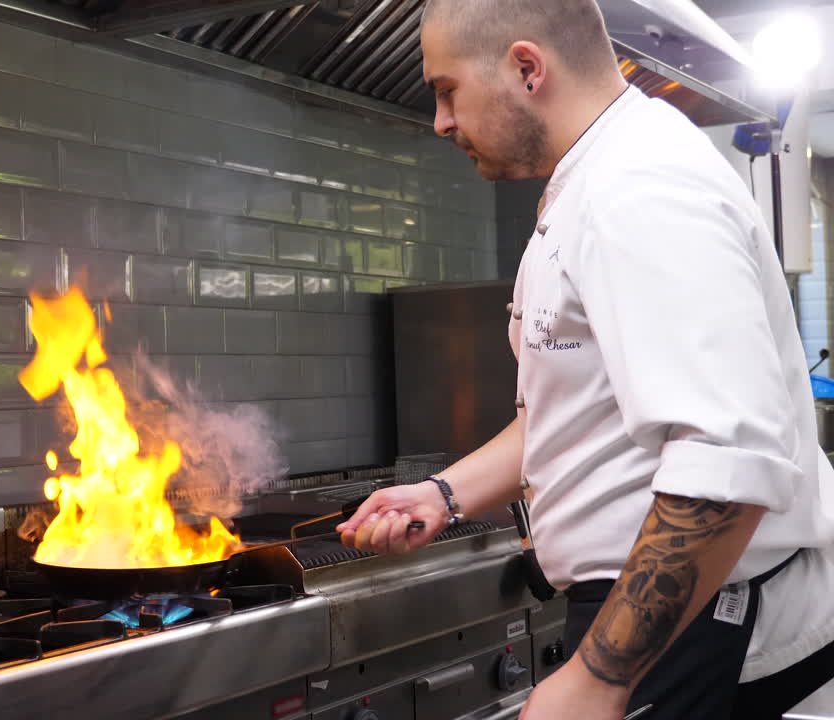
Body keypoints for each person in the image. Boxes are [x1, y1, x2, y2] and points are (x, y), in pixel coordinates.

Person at [335, 1, 834, 718]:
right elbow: (577, 411)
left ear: (527, 68)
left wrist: (599, 677)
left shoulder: (639, 190)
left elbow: (725, 461)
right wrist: (445, 493)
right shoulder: (592, 184)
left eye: (447, 90)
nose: (441, 121)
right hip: (666, 615)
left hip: (702, 627)